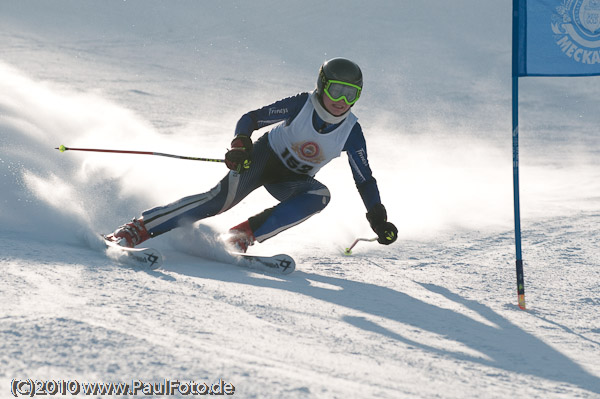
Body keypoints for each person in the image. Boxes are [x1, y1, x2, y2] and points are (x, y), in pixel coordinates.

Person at [105, 57, 398, 253]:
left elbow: (364, 179)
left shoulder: (351, 130)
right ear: (322, 86)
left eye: (351, 94)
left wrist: (377, 217)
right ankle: (137, 229)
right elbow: (252, 118)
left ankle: (241, 236)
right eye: (336, 91)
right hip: (260, 159)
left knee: (320, 196)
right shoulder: (302, 104)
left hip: (292, 180)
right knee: (218, 201)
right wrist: (241, 144)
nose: (341, 102)